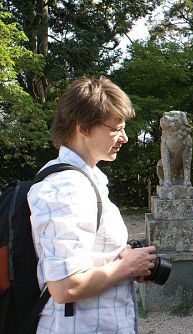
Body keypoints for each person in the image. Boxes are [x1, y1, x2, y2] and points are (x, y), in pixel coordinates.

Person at [27, 77, 156, 333]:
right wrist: (128, 266)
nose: (125, 138)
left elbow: (84, 258)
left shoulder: (87, 180)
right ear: (83, 127)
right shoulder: (65, 187)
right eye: (116, 128)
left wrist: (122, 256)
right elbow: (65, 286)